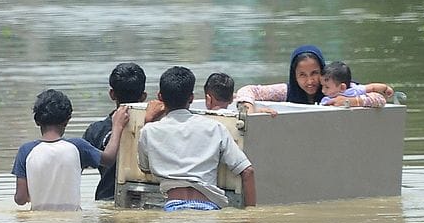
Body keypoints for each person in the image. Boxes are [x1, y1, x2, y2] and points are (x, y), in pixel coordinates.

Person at [137, 67, 256, 211]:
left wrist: (148, 120)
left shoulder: (149, 131)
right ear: (191, 98)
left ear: (160, 97)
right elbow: (247, 171)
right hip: (208, 208)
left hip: (173, 208)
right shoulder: (214, 128)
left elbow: (145, 168)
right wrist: (251, 216)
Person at [13, 89, 128, 211]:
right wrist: (117, 127)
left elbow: (20, 199)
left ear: (37, 121)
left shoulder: (25, 151)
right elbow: (109, 158)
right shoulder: (78, 147)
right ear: (67, 120)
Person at [234, 45, 388, 113]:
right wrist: (249, 108)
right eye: (302, 75)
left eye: (314, 73)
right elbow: (248, 90)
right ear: (294, 76)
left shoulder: (339, 89)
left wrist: (349, 102)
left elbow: (379, 99)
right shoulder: (286, 91)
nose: (309, 81)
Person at [83, 62, 147, 201]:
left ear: (112, 94)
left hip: (107, 201)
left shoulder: (96, 131)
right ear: (143, 96)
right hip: (147, 201)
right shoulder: (155, 127)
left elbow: (75, 170)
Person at [320, 61, 394, 107]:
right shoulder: (327, 99)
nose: (323, 91)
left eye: (327, 87)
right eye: (322, 86)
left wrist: (385, 88)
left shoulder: (355, 89)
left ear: (342, 87)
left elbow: (372, 87)